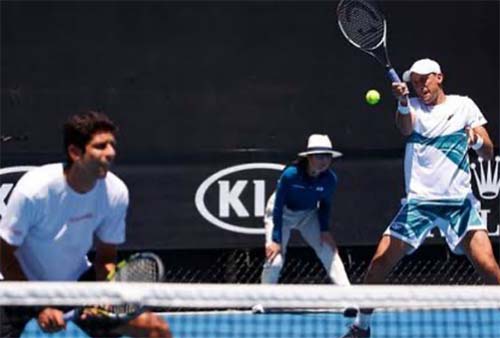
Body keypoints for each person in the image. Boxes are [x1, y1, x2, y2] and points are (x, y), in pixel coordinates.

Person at [342, 58, 500, 338]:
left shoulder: (464, 105)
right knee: (379, 264)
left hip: (458, 205)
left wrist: (474, 140)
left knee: (489, 268)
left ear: (439, 77)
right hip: (419, 205)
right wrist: (402, 101)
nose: (419, 85)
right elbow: (405, 128)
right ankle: (361, 328)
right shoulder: (411, 108)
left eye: (424, 79)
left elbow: (488, 151)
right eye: (414, 81)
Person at [0, 111, 172, 338]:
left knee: (156, 329)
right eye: (100, 146)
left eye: (112, 145)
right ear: (75, 152)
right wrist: (39, 306)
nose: (110, 153)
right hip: (16, 286)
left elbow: (106, 257)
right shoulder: (34, 191)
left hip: (76, 285)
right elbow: (3, 253)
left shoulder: (115, 192)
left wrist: (103, 295)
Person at [260, 134, 351, 286]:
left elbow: (325, 205)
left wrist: (324, 230)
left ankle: (350, 298)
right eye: (319, 156)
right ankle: (262, 299)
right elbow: (278, 205)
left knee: (329, 251)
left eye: (327, 156)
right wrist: (276, 240)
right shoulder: (290, 175)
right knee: (275, 260)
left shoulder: (330, 179)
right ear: (309, 157)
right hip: (281, 214)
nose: (324, 161)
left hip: (308, 215)